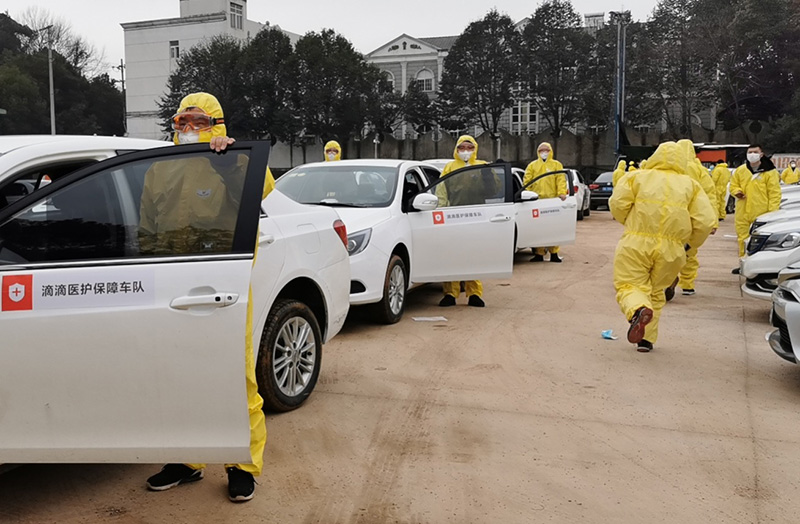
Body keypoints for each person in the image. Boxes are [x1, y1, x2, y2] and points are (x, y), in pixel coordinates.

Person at [143, 92, 272, 503]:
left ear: (217, 125)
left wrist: (230, 161)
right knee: (178, 378)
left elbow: (261, 192)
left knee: (236, 379)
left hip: (222, 287)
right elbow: (148, 228)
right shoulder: (159, 169)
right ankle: (188, 460)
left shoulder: (238, 161)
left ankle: (242, 465)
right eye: (182, 122)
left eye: (198, 122)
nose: (188, 130)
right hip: (171, 284)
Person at [611, 141, 716, 352]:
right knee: (657, 293)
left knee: (629, 285)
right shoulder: (691, 185)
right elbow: (705, 222)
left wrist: (629, 222)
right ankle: (646, 341)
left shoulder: (636, 177)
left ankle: (638, 309)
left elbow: (617, 203)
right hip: (672, 249)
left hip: (636, 242)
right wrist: (689, 244)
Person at [438, 135, 491, 308]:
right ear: (456, 149)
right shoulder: (450, 167)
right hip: (453, 215)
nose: (466, 151)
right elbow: (441, 190)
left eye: (469, 147)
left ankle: (474, 293)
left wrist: (489, 174)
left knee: (473, 255)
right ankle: (450, 294)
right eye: (462, 147)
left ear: (475, 149)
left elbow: (494, 190)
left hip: (477, 216)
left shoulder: (482, 166)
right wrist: (442, 211)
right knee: (452, 255)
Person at [664, 141, 719, 299]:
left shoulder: (670, 168)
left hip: (671, 217)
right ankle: (688, 285)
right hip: (692, 218)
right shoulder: (700, 170)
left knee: (667, 250)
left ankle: (666, 280)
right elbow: (710, 196)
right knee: (689, 252)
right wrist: (712, 222)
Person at [730, 144, 781, 263]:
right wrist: (737, 192)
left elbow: (774, 193)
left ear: (761, 154)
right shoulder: (741, 170)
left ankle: (757, 263)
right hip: (742, 211)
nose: (752, 155)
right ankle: (743, 262)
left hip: (761, 212)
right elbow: (733, 185)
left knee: (758, 240)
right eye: (750, 152)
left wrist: (772, 213)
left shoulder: (769, 172)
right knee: (742, 238)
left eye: (755, 152)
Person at [523, 142, 568, 263]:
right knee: (538, 229)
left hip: (552, 201)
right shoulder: (532, 166)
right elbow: (527, 181)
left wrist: (562, 193)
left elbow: (560, 179)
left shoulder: (556, 165)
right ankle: (539, 253)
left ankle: (554, 253)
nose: (544, 152)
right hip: (536, 201)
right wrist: (527, 194)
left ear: (551, 151)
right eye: (541, 150)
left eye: (546, 150)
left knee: (553, 229)